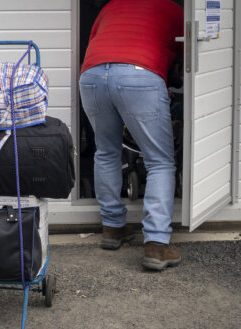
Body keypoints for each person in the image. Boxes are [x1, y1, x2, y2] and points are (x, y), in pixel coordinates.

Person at [78, 0, 184, 271]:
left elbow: (96, 40)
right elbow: (187, 55)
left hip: (91, 75)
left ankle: (113, 227)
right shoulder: (172, 9)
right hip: (140, 75)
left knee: (106, 152)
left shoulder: (112, 5)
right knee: (160, 161)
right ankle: (157, 244)